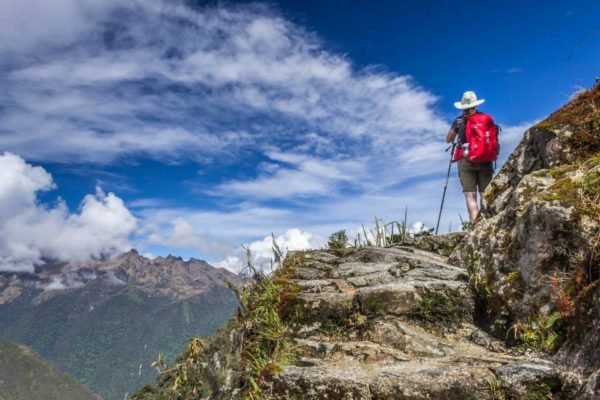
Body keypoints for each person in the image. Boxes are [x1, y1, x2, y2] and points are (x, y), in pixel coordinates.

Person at [446, 91, 495, 224]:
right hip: (485, 158)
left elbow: (448, 139)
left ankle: (475, 224)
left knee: (470, 195)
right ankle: (489, 223)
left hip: (465, 158)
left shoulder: (458, 121)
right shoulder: (486, 118)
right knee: (486, 193)